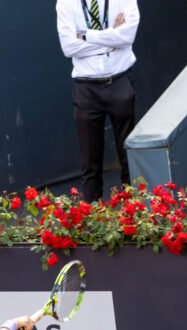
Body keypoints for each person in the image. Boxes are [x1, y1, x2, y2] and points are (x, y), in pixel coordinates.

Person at [56, 0, 140, 203]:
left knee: (129, 157)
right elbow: (69, 47)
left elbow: (128, 36)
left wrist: (85, 35)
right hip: (86, 89)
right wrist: (112, 39)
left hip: (119, 82)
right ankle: (93, 214)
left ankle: (134, 211)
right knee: (90, 164)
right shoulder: (66, 3)